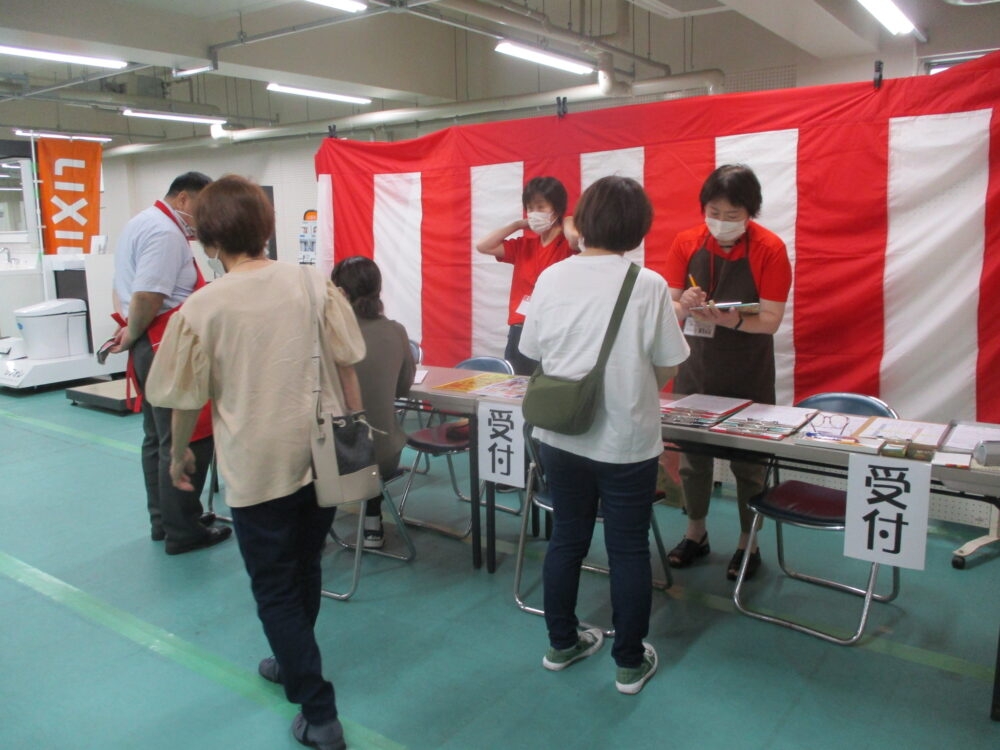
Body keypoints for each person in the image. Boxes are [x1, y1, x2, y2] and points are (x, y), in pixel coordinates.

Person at [145, 175, 365, 750]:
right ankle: (292, 660)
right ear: (265, 229)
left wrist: (177, 456)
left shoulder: (203, 306)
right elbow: (348, 359)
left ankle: (318, 712)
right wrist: (355, 427)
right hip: (317, 454)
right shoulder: (311, 282)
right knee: (306, 567)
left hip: (255, 462)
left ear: (209, 240)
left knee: (273, 586)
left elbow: (182, 394)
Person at [519, 175, 690, 695]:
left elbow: (536, 352)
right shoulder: (650, 284)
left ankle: (562, 642)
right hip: (627, 441)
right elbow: (668, 364)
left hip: (562, 435)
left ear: (584, 220)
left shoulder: (551, 279)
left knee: (566, 539)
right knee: (627, 549)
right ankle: (628, 662)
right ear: (638, 228)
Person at [663, 164, 792, 581]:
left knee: (749, 466)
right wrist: (689, 302)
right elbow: (671, 306)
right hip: (695, 366)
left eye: (733, 214)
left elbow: (771, 319)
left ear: (750, 212)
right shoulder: (686, 242)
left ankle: (747, 543)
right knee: (692, 460)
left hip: (748, 370)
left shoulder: (769, 248)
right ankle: (695, 532)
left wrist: (728, 320)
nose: (721, 221)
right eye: (714, 210)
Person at [110, 171, 231, 555]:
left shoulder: (142, 222)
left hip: (151, 341)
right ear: (182, 199)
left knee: (157, 437)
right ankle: (184, 530)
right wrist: (132, 330)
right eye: (201, 205)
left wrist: (133, 333)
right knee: (188, 436)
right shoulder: (165, 233)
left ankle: (166, 520)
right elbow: (148, 295)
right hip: (167, 342)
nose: (205, 216)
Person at [331, 255, 416, 549]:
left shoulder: (326, 334)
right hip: (385, 455)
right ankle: (372, 522)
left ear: (339, 292)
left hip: (334, 458)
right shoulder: (396, 331)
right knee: (372, 436)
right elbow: (403, 388)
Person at [475, 176, 576, 375]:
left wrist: (567, 219)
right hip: (520, 328)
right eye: (530, 208)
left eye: (541, 207)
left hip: (555, 329)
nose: (534, 213)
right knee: (515, 390)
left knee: (548, 390)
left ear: (556, 208)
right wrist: (518, 224)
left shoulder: (568, 245)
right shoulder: (524, 245)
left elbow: (574, 239)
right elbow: (483, 245)